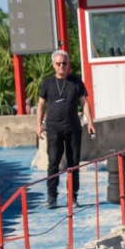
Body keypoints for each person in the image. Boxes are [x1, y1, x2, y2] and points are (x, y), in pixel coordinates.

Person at [35, 50, 96, 210]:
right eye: (58, 64)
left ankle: (73, 197)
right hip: (54, 128)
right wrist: (39, 125)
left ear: (68, 64)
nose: (62, 66)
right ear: (53, 65)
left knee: (73, 163)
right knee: (53, 163)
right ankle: (52, 197)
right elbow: (41, 105)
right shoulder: (47, 82)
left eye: (64, 63)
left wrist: (90, 121)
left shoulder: (75, 81)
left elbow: (84, 102)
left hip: (73, 128)